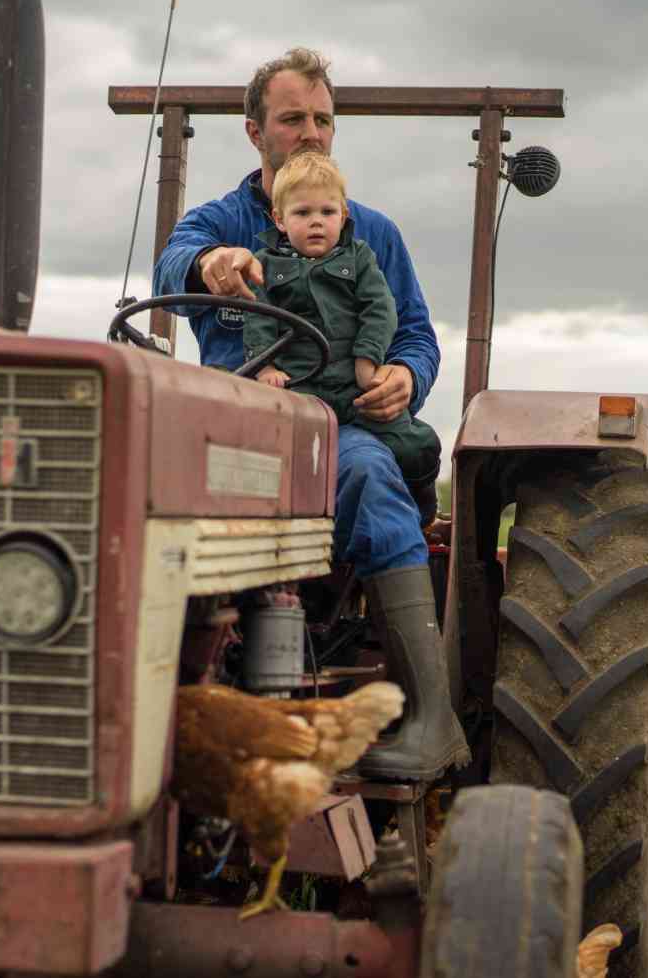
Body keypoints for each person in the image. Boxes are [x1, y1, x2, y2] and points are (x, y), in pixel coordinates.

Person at [153, 48, 468, 782]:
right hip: (238, 424)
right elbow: (175, 262)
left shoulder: (370, 233)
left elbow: (416, 332)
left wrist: (403, 374)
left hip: (335, 426)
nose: (312, 133)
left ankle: (433, 718)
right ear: (254, 132)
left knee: (367, 471)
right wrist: (210, 267)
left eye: (323, 119)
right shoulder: (222, 219)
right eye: (293, 119)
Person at [245, 151, 442, 527]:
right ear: (280, 220)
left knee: (417, 443)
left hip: (355, 389)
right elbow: (258, 317)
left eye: (327, 213)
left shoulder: (361, 258)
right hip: (303, 393)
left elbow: (380, 309)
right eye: (303, 214)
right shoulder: (267, 265)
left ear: (344, 215)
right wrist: (265, 366)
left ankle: (422, 511)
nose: (316, 222)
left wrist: (367, 360)